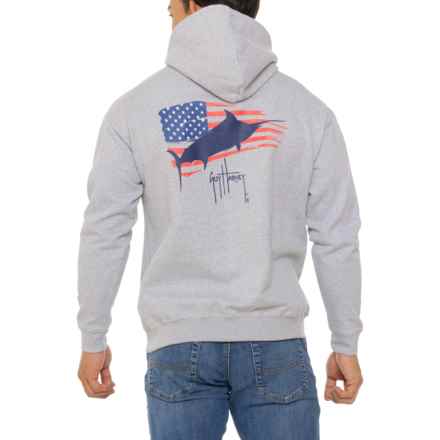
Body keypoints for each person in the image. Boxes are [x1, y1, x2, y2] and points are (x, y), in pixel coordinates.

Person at [77, 1, 364, 438]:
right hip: (277, 340)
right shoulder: (309, 111)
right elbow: (337, 235)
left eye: (172, 5)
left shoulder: (134, 109)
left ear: (193, 5)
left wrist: (93, 337)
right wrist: (345, 342)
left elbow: (106, 230)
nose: (167, 10)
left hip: (178, 339)